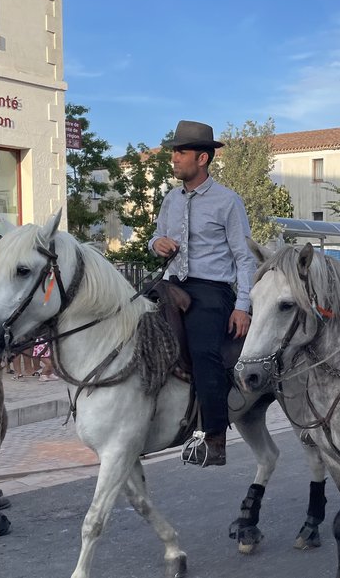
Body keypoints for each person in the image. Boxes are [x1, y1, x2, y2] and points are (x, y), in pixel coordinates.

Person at [149, 120, 257, 467]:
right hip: (170, 284)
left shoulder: (228, 201)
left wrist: (242, 306)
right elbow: (156, 237)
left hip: (211, 290)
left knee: (203, 350)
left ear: (203, 158)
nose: (175, 158)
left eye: (181, 152)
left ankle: (214, 438)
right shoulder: (170, 199)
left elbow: (244, 257)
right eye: (175, 152)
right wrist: (157, 243)